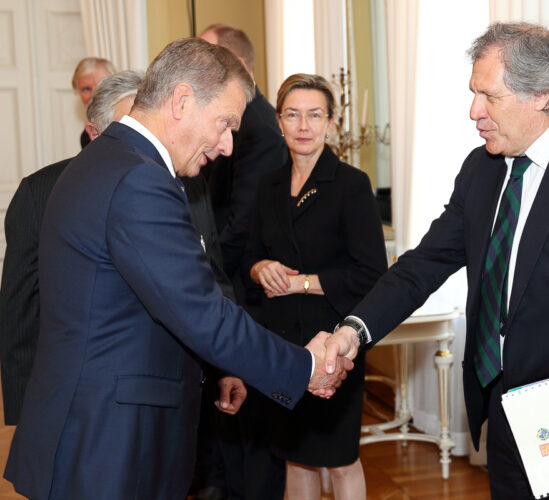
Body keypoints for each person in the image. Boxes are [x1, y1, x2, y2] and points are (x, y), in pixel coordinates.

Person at [3, 38, 352, 500]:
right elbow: (200, 312)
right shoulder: (139, 178)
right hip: (110, 444)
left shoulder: (104, 160)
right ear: (182, 100)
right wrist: (304, 365)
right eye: (225, 124)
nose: (228, 146)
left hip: (92, 430)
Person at [323, 23, 549, 499]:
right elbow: (423, 265)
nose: (474, 112)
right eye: (475, 94)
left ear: (540, 95)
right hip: (500, 407)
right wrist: (354, 330)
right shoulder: (482, 168)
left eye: (488, 96)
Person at [245, 73, 387, 500]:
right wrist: (260, 268)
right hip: (279, 342)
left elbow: (370, 273)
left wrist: (300, 283)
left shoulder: (352, 185)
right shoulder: (267, 185)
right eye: (293, 114)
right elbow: (246, 257)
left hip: (333, 342)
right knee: (294, 455)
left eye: (314, 115)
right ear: (279, 121)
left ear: (330, 122)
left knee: (340, 459)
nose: (303, 125)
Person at [0, 70, 141, 426]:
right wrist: (23, 408)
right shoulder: (39, 192)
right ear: (94, 133)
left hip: (152, 391)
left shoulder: (181, 185)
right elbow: (19, 306)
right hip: (71, 393)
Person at [196, 23, 290, 500]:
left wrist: (203, 266)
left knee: (252, 422)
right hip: (223, 280)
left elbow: (241, 220)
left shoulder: (257, 126)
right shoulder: (230, 119)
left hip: (245, 287)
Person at [71, 57, 115, 148]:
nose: (94, 95)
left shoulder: (131, 122)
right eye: (86, 89)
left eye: (101, 85)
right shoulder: (86, 136)